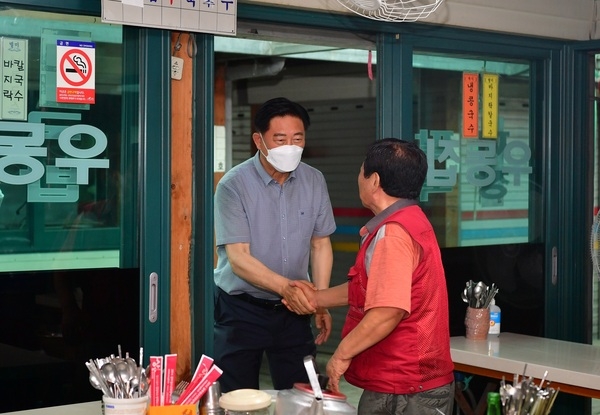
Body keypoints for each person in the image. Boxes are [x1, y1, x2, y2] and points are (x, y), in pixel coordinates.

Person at [289, 138, 455, 415]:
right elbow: (368, 288)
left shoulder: (394, 234)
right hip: (407, 381)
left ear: (374, 180)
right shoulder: (411, 219)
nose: (358, 178)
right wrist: (315, 298)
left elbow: (387, 310)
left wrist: (341, 355)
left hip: (404, 386)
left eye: (361, 171)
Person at [213, 97, 337, 392]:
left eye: (297, 138)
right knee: (236, 397)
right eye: (280, 139)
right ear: (259, 140)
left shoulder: (314, 180)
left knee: (302, 394)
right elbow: (239, 258)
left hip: (294, 313)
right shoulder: (233, 185)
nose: (290, 147)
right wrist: (287, 289)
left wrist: (319, 302)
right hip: (241, 310)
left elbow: (321, 244)